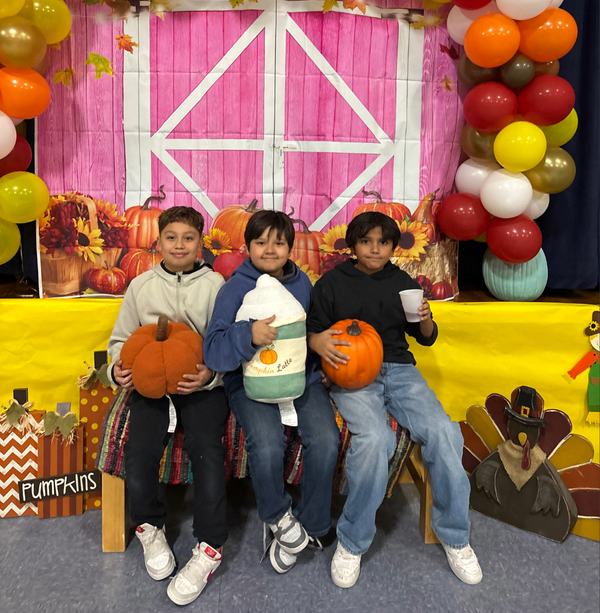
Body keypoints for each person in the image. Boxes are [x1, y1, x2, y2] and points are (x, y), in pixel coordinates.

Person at [307, 211, 482, 589]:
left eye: (383, 242)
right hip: (353, 374)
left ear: (392, 247)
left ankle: (456, 537)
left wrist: (426, 319)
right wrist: (316, 342)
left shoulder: (403, 281)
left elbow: (425, 337)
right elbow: (314, 331)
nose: (375, 249)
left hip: (399, 370)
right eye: (366, 241)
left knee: (445, 433)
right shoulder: (332, 283)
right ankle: (352, 542)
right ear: (352, 245)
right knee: (375, 440)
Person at [203, 210, 340, 575]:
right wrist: (246, 335)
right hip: (249, 382)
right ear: (247, 246)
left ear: (290, 248)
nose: (269, 249)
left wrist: (321, 362)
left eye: (279, 242)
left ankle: (311, 526)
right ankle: (278, 516)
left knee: (326, 439)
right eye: (260, 242)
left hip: (300, 378)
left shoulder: (303, 285)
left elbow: (311, 332)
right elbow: (213, 349)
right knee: (265, 443)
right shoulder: (235, 287)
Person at [107, 206, 228, 607]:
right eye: (171, 237)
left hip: (200, 385)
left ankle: (209, 547)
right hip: (151, 386)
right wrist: (116, 370)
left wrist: (211, 375)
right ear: (157, 242)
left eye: (188, 237)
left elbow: (225, 343)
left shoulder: (216, 285)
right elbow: (120, 341)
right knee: (139, 449)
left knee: (208, 452)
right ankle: (148, 525)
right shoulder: (141, 286)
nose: (179, 245)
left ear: (200, 243)